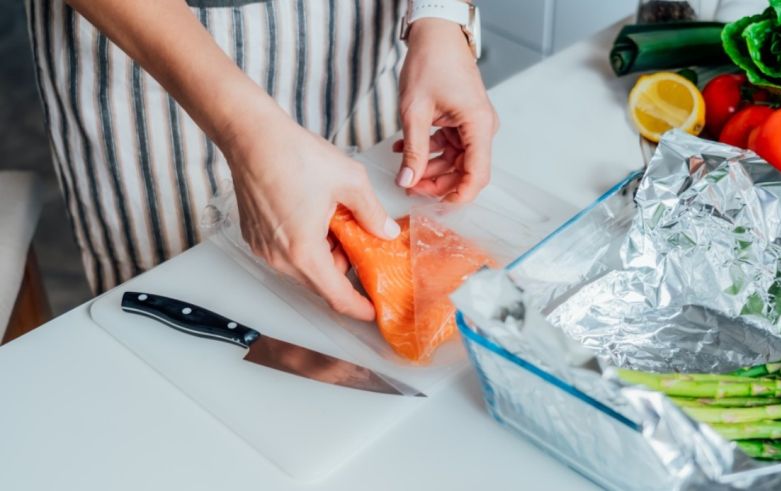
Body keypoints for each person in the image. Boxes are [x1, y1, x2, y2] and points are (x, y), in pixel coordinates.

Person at [26, 0, 497, 320]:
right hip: (157, 45)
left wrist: (440, 16)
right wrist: (241, 128)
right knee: (192, 331)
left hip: (369, 30)